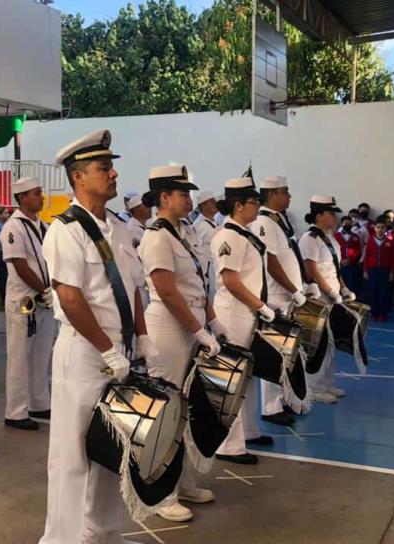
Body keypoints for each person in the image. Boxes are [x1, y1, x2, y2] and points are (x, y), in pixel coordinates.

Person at [39, 130, 155, 543]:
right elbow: (69, 298)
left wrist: (141, 339)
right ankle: (61, 539)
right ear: (78, 177)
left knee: (111, 451)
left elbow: (133, 288)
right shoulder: (64, 230)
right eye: (103, 168)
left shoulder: (118, 229)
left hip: (118, 354)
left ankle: (102, 533)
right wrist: (108, 350)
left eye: (111, 166)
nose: (113, 173)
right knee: (71, 456)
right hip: (85, 355)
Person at [138, 164, 221, 522]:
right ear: (164, 197)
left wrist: (212, 321)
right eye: (183, 193)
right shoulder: (156, 235)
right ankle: (160, 492)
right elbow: (167, 291)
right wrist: (198, 330)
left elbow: (197, 285)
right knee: (167, 412)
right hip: (170, 329)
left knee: (187, 411)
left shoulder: (183, 232)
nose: (189, 199)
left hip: (191, 324)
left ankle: (183, 481)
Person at [210, 177, 275, 465]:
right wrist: (261, 305)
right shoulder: (229, 236)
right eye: (254, 202)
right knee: (232, 380)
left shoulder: (244, 234)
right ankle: (229, 445)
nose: (258, 207)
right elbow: (231, 280)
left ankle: (248, 431)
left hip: (247, 311)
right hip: (233, 313)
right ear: (238, 205)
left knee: (247, 377)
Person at [251, 175, 309, 426]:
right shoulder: (264, 221)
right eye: (285, 192)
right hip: (276, 295)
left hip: (288, 294)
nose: (289, 196)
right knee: (275, 351)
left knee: (288, 351)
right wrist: (293, 289)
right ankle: (271, 407)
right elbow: (271, 263)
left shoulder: (279, 220)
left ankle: (284, 398)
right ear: (272, 194)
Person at [0, 177, 54, 431]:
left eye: (40, 192)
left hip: (43, 300)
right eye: (36, 193)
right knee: (20, 357)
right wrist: (43, 289)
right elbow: (19, 264)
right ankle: (16, 411)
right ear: (22, 198)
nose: (41, 197)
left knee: (41, 355)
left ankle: (39, 402)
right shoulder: (14, 227)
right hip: (25, 299)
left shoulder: (43, 225)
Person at [299, 196, 354, 404]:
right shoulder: (310, 238)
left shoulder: (329, 238)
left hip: (333, 296)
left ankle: (326, 383)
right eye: (331, 213)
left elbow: (334, 267)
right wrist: (330, 291)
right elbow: (311, 268)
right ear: (319, 215)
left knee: (331, 343)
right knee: (317, 344)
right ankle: (313, 387)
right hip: (320, 297)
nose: (335, 217)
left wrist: (344, 288)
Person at [364, 214, 394, 322]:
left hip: (385, 271)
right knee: (373, 292)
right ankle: (374, 312)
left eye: (382, 227)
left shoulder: (389, 242)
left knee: (384, 293)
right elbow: (366, 257)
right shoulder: (370, 241)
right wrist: (365, 270)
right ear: (374, 228)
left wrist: (391, 272)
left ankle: (382, 313)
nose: (380, 229)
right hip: (372, 270)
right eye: (378, 227)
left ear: (386, 229)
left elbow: (392, 259)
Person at [191, 190, 219, 301]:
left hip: (216, 269)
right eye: (212, 201)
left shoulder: (215, 223)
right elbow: (196, 251)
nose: (215, 204)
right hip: (207, 272)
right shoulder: (199, 225)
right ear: (203, 204)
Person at [335, 215, 364, 296]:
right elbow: (334, 250)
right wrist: (341, 261)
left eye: (349, 223)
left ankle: (352, 306)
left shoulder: (356, 236)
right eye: (346, 223)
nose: (348, 225)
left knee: (352, 287)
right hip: (340, 266)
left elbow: (358, 251)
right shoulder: (336, 236)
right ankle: (340, 307)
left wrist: (350, 260)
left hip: (352, 266)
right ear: (341, 224)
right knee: (339, 286)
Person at [0, 206, 11, 303]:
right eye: (5, 213)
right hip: (2, 253)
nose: (7, 214)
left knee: (9, 277)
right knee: (3, 277)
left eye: (8, 212)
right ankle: (3, 299)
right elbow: (5, 237)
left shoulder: (6, 224)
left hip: (7, 252)